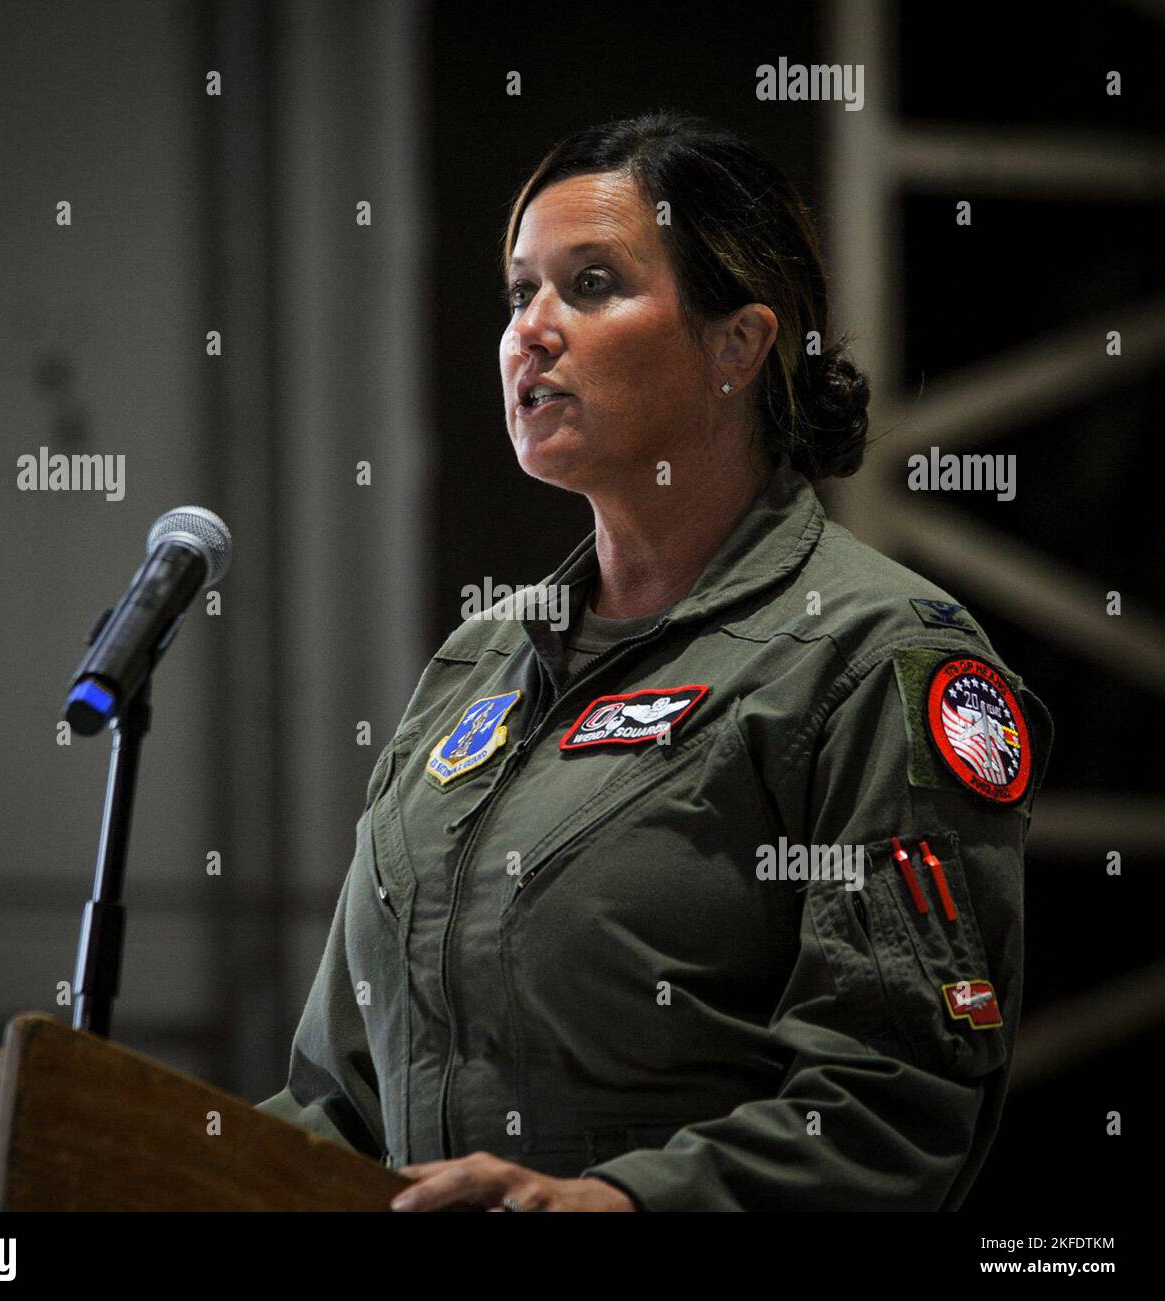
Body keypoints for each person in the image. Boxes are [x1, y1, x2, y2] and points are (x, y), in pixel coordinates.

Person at [256, 110, 1053, 1212]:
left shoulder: (875, 658)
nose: (529, 331)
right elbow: (334, 1098)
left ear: (738, 345)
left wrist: (619, 1205)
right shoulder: (472, 668)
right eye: (517, 291)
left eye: (588, 285)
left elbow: (893, 1099)